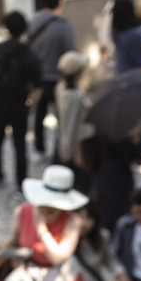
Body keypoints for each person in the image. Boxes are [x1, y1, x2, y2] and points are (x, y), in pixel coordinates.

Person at [0, 10, 42, 191]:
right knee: (19, 143)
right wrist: (32, 104)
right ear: (24, 30)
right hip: (19, 103)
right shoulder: (29, 54)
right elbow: (38, 86)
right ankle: (21, 180)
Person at [27, 0, 76, 158]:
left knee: (39, 114)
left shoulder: (33, 21)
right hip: (58, 78)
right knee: (61, 117)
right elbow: (70, 55)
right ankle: (58, 151)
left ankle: (38, 149)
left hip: (38, 78)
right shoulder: (64, 27)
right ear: (61, 0)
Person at [54, 50, 93, 192]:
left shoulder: (62, 86)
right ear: (77, 73)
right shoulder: (72, 96)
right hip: (77, 149)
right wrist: (73, 154)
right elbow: (69, 127)